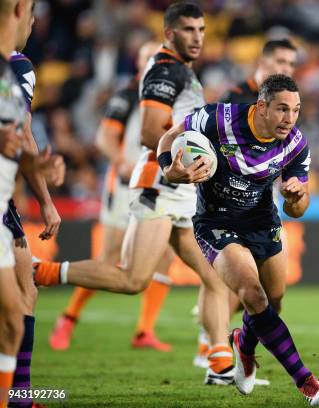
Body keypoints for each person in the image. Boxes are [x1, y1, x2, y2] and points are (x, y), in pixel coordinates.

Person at [33, 2, 234, 385]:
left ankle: (219, 363)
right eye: (189, 29)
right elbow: (147, 132)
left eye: (202, 29)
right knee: (132, 279)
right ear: (170, 33)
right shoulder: (166, 69)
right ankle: (39, 272)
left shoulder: (182, 70)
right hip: (161, 184)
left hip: (180, 190)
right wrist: (173, 166)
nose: (197, 37)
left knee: (216, 276)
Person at [156, 74, 319, 406]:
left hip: (262, 220)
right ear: (262, 106)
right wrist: (169, 168)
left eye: (296, 110)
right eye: (282, 109)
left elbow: (299, 209)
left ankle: (244, 344)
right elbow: (169, 135)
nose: (290, 119)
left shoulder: (295, 143)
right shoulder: (217, 119)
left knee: (273, 301)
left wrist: (296, 198)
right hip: (215, 221)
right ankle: (307, 382)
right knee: (252, 294)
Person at [48, 42, 178, 353]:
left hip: (159, 184)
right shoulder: (128, 94)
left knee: (163, 257)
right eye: (149, 58)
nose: (154, 64)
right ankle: (68, 318)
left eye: (159, 59)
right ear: (138, 64)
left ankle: (144, 330)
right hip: (124, 183)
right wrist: (121, 163)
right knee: (110, 257)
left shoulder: (173, 94)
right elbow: (104, 137)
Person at [193, 38, 297, 371]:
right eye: (280, 61)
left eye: (291, 64)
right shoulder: (235, 100)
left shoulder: (285, 112)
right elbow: (199, 138)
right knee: (232, 283)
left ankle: (219, 341)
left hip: (258, 213)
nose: (286, 69)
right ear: (263, 62)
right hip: (216, 205)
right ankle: (214, 349)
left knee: (264, 296)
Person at [0, 1, 63, 407]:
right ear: (24, 10)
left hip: (3, 201)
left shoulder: (14, 69)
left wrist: (45, 197)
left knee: (23, 294)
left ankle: (19, 396)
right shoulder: (17, 67)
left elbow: (20, 133)